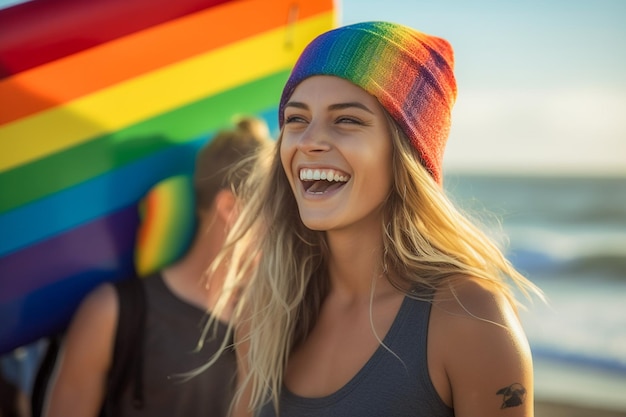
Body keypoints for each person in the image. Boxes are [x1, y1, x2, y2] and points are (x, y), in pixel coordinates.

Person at [210, 21, 544, 417]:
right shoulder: (268, 310)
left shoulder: (468, 317)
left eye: (347, 120)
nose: (309, 141)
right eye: (297, 119)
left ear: (407, 152)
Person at [41, 116, 272, 417]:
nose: (290, 233)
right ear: (231, 208)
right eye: (278, 213)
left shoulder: (267, 330)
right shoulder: (111, 312)